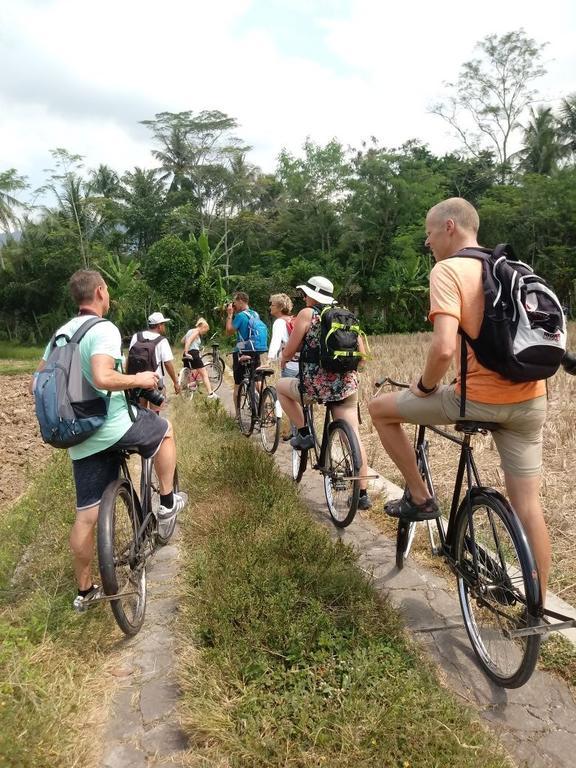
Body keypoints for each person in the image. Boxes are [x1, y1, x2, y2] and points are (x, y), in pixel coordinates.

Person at [367, 197, 550, 598]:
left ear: (449, 227)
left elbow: (444, 349)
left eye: (429, 235)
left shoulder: (448, 270)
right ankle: (535, 604)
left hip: (479, 399)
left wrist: (426, 387)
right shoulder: (514, 268)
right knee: (528, 506)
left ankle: (419, 497)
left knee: (380, 410)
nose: (428, 244)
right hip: (532, 400)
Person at [32, 270, 187, 612]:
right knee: (164, 431)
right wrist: (140, 378)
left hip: (79, 434)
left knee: (86, 515)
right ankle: (165, 502)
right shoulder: (103, 328)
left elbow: (42, 378)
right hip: (112, 425)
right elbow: (103, 377)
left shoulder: (60, 333)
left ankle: (85, 592)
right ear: (100, 292)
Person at [276, 276, 372, 510]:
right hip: (346, 385)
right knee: (354, 435)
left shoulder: (307, 314)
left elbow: (289, 350)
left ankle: (304, 431)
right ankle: (362, 495)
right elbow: (362, 357)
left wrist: (284, 359)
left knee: (281, 387)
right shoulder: (345, 314)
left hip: (315, 386)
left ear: (311, 295)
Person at [129, 312, 180, 409]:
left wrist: (129, 379)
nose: (164, 327)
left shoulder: (136, 336)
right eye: (163, 324)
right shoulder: (162, 340)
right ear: (159, 326)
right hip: (155, 382)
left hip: (139, 380)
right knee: (155, 414)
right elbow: (168, 363)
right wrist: (176, 382)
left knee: (140, 412)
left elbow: (130, 358)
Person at [224, 291, 266, 404]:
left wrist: (229, 315)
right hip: (255, 350)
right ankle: (265, 407)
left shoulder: (240, 316)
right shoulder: (255, 314)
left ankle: (238, 416)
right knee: (257, 379)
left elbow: (229, 331)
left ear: (241, 301)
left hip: (242, 351)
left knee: (237, 384)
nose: (234, 305)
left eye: (235, 302)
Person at [181, 317, 219, 399]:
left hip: (186, 354)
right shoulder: (197, 331)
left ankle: (188, 385)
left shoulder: (189, 331)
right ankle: (210, 394)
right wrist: (187, 352)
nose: (204, 333)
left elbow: (183, 341)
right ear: (202, 327)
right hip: (193, 353)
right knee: (204, 374)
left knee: (191, 372)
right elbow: (188, 341)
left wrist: (186, 352)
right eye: (205, 330)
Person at [267, 293, 298, 378]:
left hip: (289, 366)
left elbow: (275, 342)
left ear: (280, 308)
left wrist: (269, 359)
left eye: (272, 305)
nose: (270, 307)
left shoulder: (279, 322)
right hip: (300, 365)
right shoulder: (291, 320)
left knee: (283, 390)